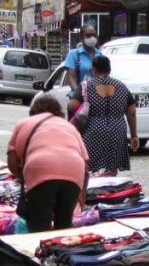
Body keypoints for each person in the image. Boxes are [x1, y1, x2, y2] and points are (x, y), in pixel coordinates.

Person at [7, 94, 89, 233]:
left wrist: (25, 178)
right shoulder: (68, 126)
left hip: (41, 168)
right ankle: (61, 252)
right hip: (74, 171)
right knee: (64, 224)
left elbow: (12, 161)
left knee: (39, 224)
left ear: (33, 111)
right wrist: (81, 197)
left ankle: (39, 252)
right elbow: (85, 164)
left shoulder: (24, 123)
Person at [70, 55, 139, 174]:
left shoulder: (87, 86)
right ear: (109, 70)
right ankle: (110, 189)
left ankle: (94, 189)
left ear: (94, 69)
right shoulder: (122, 86)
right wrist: (134, 135)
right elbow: (131, 112)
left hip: (93, 129)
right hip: (117, 129)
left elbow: (72, 105)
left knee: (91, 166)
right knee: (112, 167)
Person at [62, 24, 99, 97]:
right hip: (78, 98)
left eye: (94, 35)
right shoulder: (74, 54)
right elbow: (71, 78)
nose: (92, 38)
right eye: (88, 35)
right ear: (82, 37)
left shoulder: (100, 54)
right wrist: (79, 95)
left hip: (96, 98)